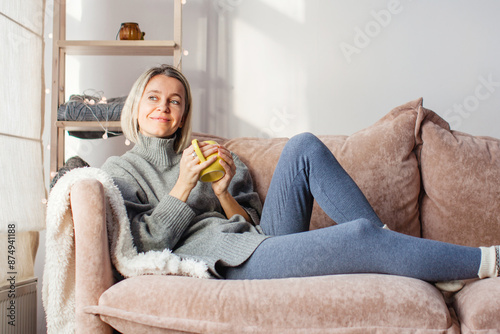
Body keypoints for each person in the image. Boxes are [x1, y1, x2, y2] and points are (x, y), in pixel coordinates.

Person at [101, 64, 499, 282]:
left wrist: (223, 191)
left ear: (184, 114)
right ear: (136, 106)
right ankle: (487, 261)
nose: (164, 107)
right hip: (223, 263)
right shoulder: (121, 170)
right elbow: (144, 246)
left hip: (257, 243)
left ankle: (399, 253)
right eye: (153, 98)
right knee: (357, 236)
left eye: (175, 101)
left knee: (303, 145)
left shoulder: (204, 156)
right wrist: (185, 185)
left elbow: (251, 226)